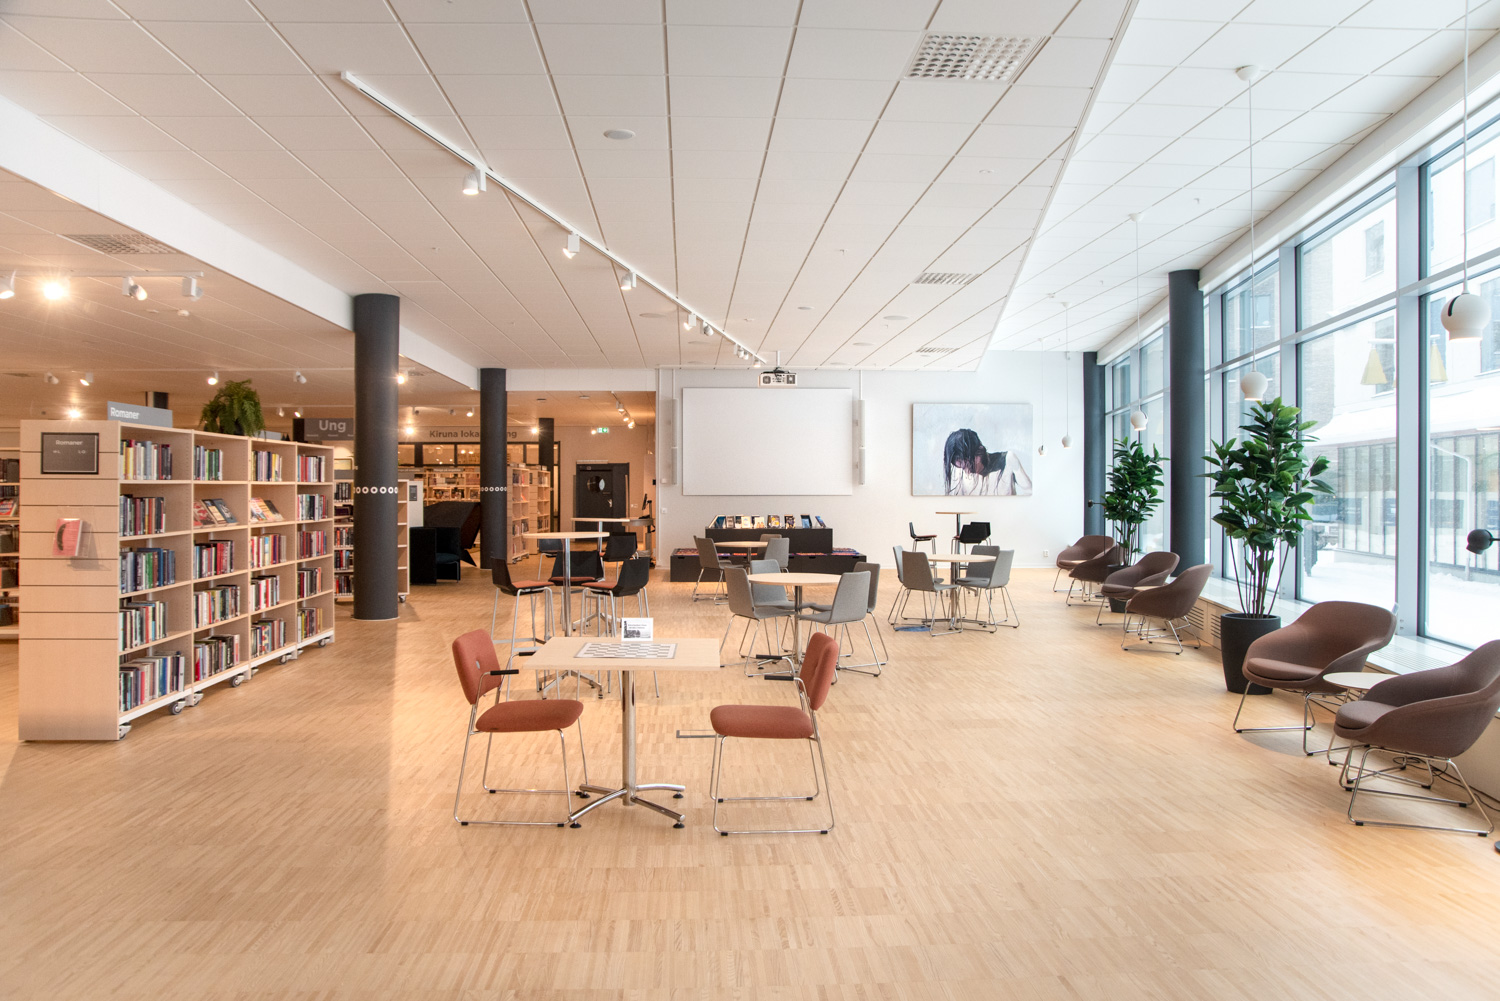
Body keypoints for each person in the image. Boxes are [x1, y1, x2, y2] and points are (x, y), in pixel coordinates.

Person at [942, 428, 1032, 496]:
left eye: (969, 465)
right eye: (961, 467)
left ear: (979, 452)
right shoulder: (959, 474)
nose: (967, 472)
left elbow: (1031, 493)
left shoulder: (1008, 460)